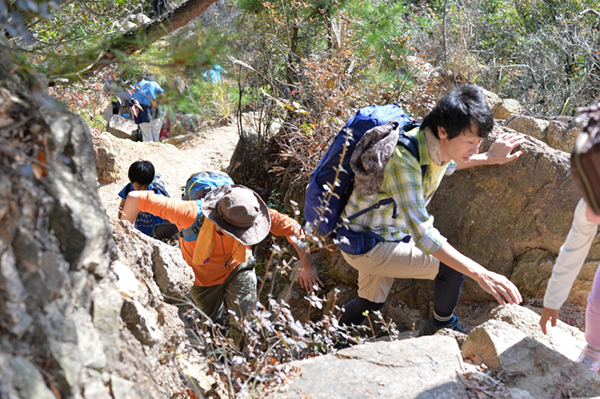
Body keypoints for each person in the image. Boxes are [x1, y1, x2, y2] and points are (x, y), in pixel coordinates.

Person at [337, 83, 524, 336]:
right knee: (452, 267)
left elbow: (445, 166)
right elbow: (423, 234)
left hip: (377, 234)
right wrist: (481, 274)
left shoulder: (428, 143)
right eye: (471, 141)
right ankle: (440, 325)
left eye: (480, 141)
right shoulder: (404, 159)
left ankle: (329, 338)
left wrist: (490, 157)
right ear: (444, 131)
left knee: (370, 302)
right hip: (366, 245)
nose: (475, 148)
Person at [121, 183, 322, 345]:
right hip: (201, 280)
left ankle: (241, 358)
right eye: (239, 233)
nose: (244, 237)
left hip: (238, 266)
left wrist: (307, 266)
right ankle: (218, 356)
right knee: (210, 325)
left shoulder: (252, 214)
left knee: (246, 321)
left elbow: (293, 228)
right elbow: (135, 199)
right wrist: (123, 242)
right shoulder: (189, 213)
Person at [539, 198, 600, 371]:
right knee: (597, 301)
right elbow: (573, 251)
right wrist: (552, 300)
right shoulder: (588, 206)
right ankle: (594, 349)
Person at [117, 161, 167, 237]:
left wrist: (170, 231)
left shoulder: (155, 192)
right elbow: (122, 208)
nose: (143, 189)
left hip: (158, 232)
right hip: (141, 231)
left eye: (146, 185)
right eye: (139, 186)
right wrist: (121, 226)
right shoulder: (128, 189)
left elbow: (166, 211)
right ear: (131, 181)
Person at [128, 75, 164, 142]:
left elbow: (132, 106)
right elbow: (161, 95)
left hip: (142, 116)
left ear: (135, 78)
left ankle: (150, 151)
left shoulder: (132, 90)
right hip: (155, 112)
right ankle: (159, 149)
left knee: (147, 138)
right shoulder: (153, 84)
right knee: (157, 134)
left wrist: (134, 117)